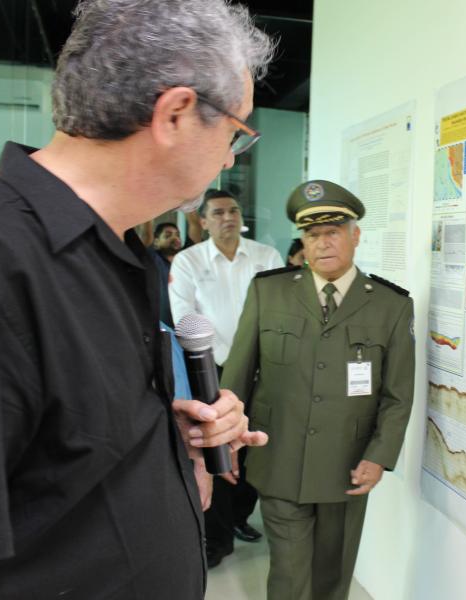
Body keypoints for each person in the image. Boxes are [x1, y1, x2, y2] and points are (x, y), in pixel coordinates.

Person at [0, 1, 274, 598]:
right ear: (176, 114)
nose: (231, 157)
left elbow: (56, 444)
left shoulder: (119, 251)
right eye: (235, 131)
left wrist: (169, 433)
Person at [222, 179, 416, 600]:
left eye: (333, 232)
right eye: (312, 234)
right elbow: (236, 377)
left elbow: (398, 395)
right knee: (289, 576)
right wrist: (228, 441)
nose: (322, 243)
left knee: (332, 577)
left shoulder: (391, 306)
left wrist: (379, 456)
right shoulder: (268, 291)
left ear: (355, 236)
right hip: (278, 456)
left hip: (347, 465)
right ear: (303, 242)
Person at [169, 188, 283, 567]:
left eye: (233, 210)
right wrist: (226, 361)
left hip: (262, 369)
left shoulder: (266, 257)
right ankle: (215, 540)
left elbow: (279, 313)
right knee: (216, 454)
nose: (228, 217)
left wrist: (250, 358)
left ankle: (239, 517)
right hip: (210, 373)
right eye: (217, 213)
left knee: (253, 450)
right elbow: (185, 318)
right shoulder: (188, 261)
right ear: (203, 221)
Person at [150, 221, 183, 326]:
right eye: (168, 235)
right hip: (160, 329)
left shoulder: (185, 263)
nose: (175, 238)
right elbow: (146, 234)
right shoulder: (152, 260)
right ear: (156, 242)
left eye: (177, 235)